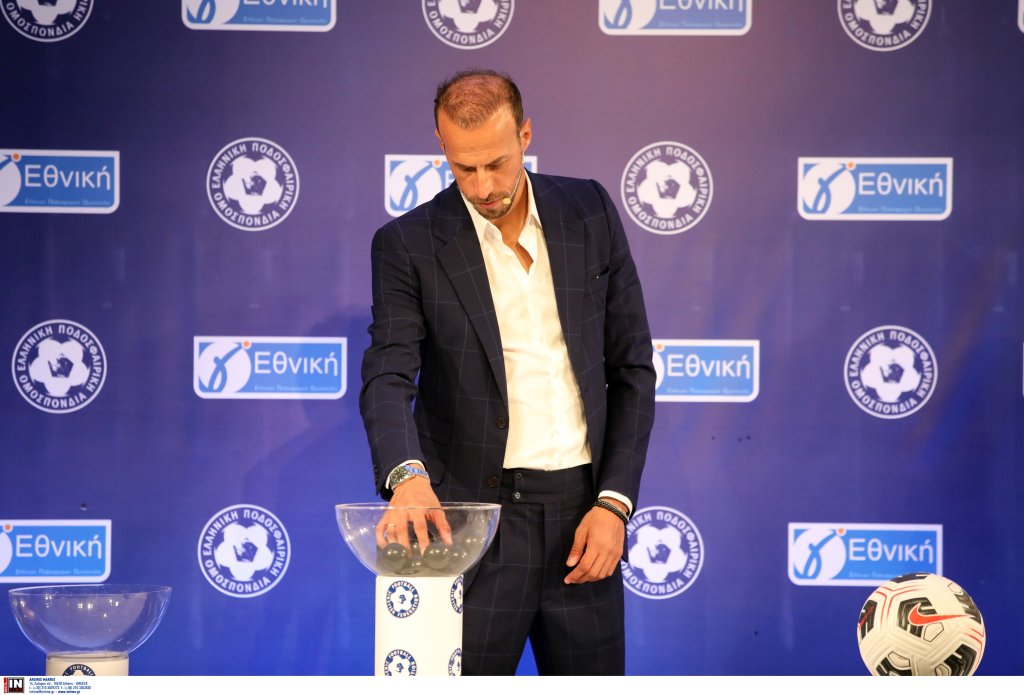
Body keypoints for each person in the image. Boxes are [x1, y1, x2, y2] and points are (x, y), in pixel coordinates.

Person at [360, 69, 655, 676]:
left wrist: (615, 504)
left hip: (586, 521)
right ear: (441, 145)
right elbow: (388, 375)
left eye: (496, 163)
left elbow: (632, 369)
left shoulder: (590, 211)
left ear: (525, 134)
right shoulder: (406, 244)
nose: (483, 185)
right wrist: (406, 478)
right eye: (464, 167)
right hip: (469, 527)